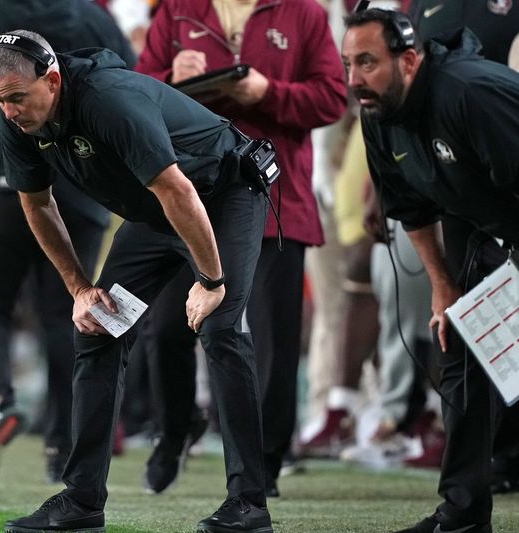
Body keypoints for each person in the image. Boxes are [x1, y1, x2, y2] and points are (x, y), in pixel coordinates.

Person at [0, 29, 273, 533]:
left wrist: (210, 278)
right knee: (97, 329)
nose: (9, 112)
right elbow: (36, 203)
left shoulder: (109, 101)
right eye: (0, 102)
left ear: (52, 80)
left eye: (16, 99)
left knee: (221, 329)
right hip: (157, 212)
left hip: (221, 194)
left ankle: (250, 504)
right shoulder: (19, 118)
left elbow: (178, 189)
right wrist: (79, 289)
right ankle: (82, 501)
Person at [134, 0, 348, 495]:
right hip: (189, 197)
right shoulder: (177, 9)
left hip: (277, 195)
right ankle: (173, 430)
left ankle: (266, 462)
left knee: (275, 339)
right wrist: (171, 75)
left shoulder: (305, 13)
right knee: (166, 326)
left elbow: (333, 99)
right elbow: (135, 93)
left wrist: (267, 93)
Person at [0, 0, 134, 482]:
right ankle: (64, 443)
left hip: (3, 172)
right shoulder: (92, 15)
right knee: (68, 307)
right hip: (84, 179)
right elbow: (126, 80)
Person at [342, 8, 519, 532]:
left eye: (368, 62)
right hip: (478, 215)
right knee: (461, 342)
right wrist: (445, 289)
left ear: (410, 60)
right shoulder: (376, 113)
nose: (355, 80)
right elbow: (412, 210)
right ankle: (463, 515)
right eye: (349, 65)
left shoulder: (471, 93)